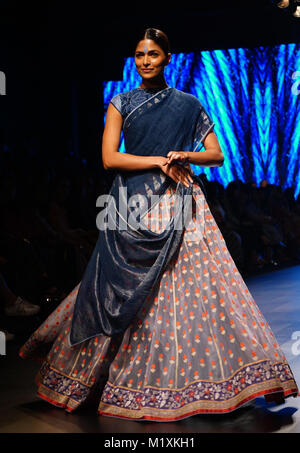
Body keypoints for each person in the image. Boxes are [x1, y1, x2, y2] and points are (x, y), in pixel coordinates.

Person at [19, 28, 298, 421]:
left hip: (182, 202)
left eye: (152, 54)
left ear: (167, 57)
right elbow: (109, 158)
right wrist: (155, 160)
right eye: (138, 54)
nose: (145, 61)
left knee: (192, 291)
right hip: (133, 204)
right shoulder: (121, 103)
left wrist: (186, 154)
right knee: (120, 288)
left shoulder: (188, 104)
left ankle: (198, 380)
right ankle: (103, 378)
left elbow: (216, 155)